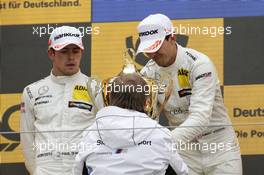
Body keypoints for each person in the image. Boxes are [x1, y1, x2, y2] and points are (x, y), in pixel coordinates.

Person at [137, 14, 242, 175]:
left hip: (219, 145)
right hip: (184, 151)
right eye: (147, 50)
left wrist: (163, 143)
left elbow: (200, 118)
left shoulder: (199, 64)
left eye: (156, 47)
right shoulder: (147, 73)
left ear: (172, 38)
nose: (152, 55)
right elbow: (149, 119)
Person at [73, 74, 188, 175]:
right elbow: (181, 172)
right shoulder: (161, 135)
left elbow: (78, 170)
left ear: (110, 98)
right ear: (145, 101)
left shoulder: (91, 134)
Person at [20, 26, 96, 175]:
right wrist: (35, 171)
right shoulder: (31, 91)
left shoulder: (95, 88)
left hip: (83, 167)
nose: (71, 57)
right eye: (64, 51)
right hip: (45, 169)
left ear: (82, 52)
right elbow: (27, 137)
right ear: (51, 53)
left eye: (75, 51)